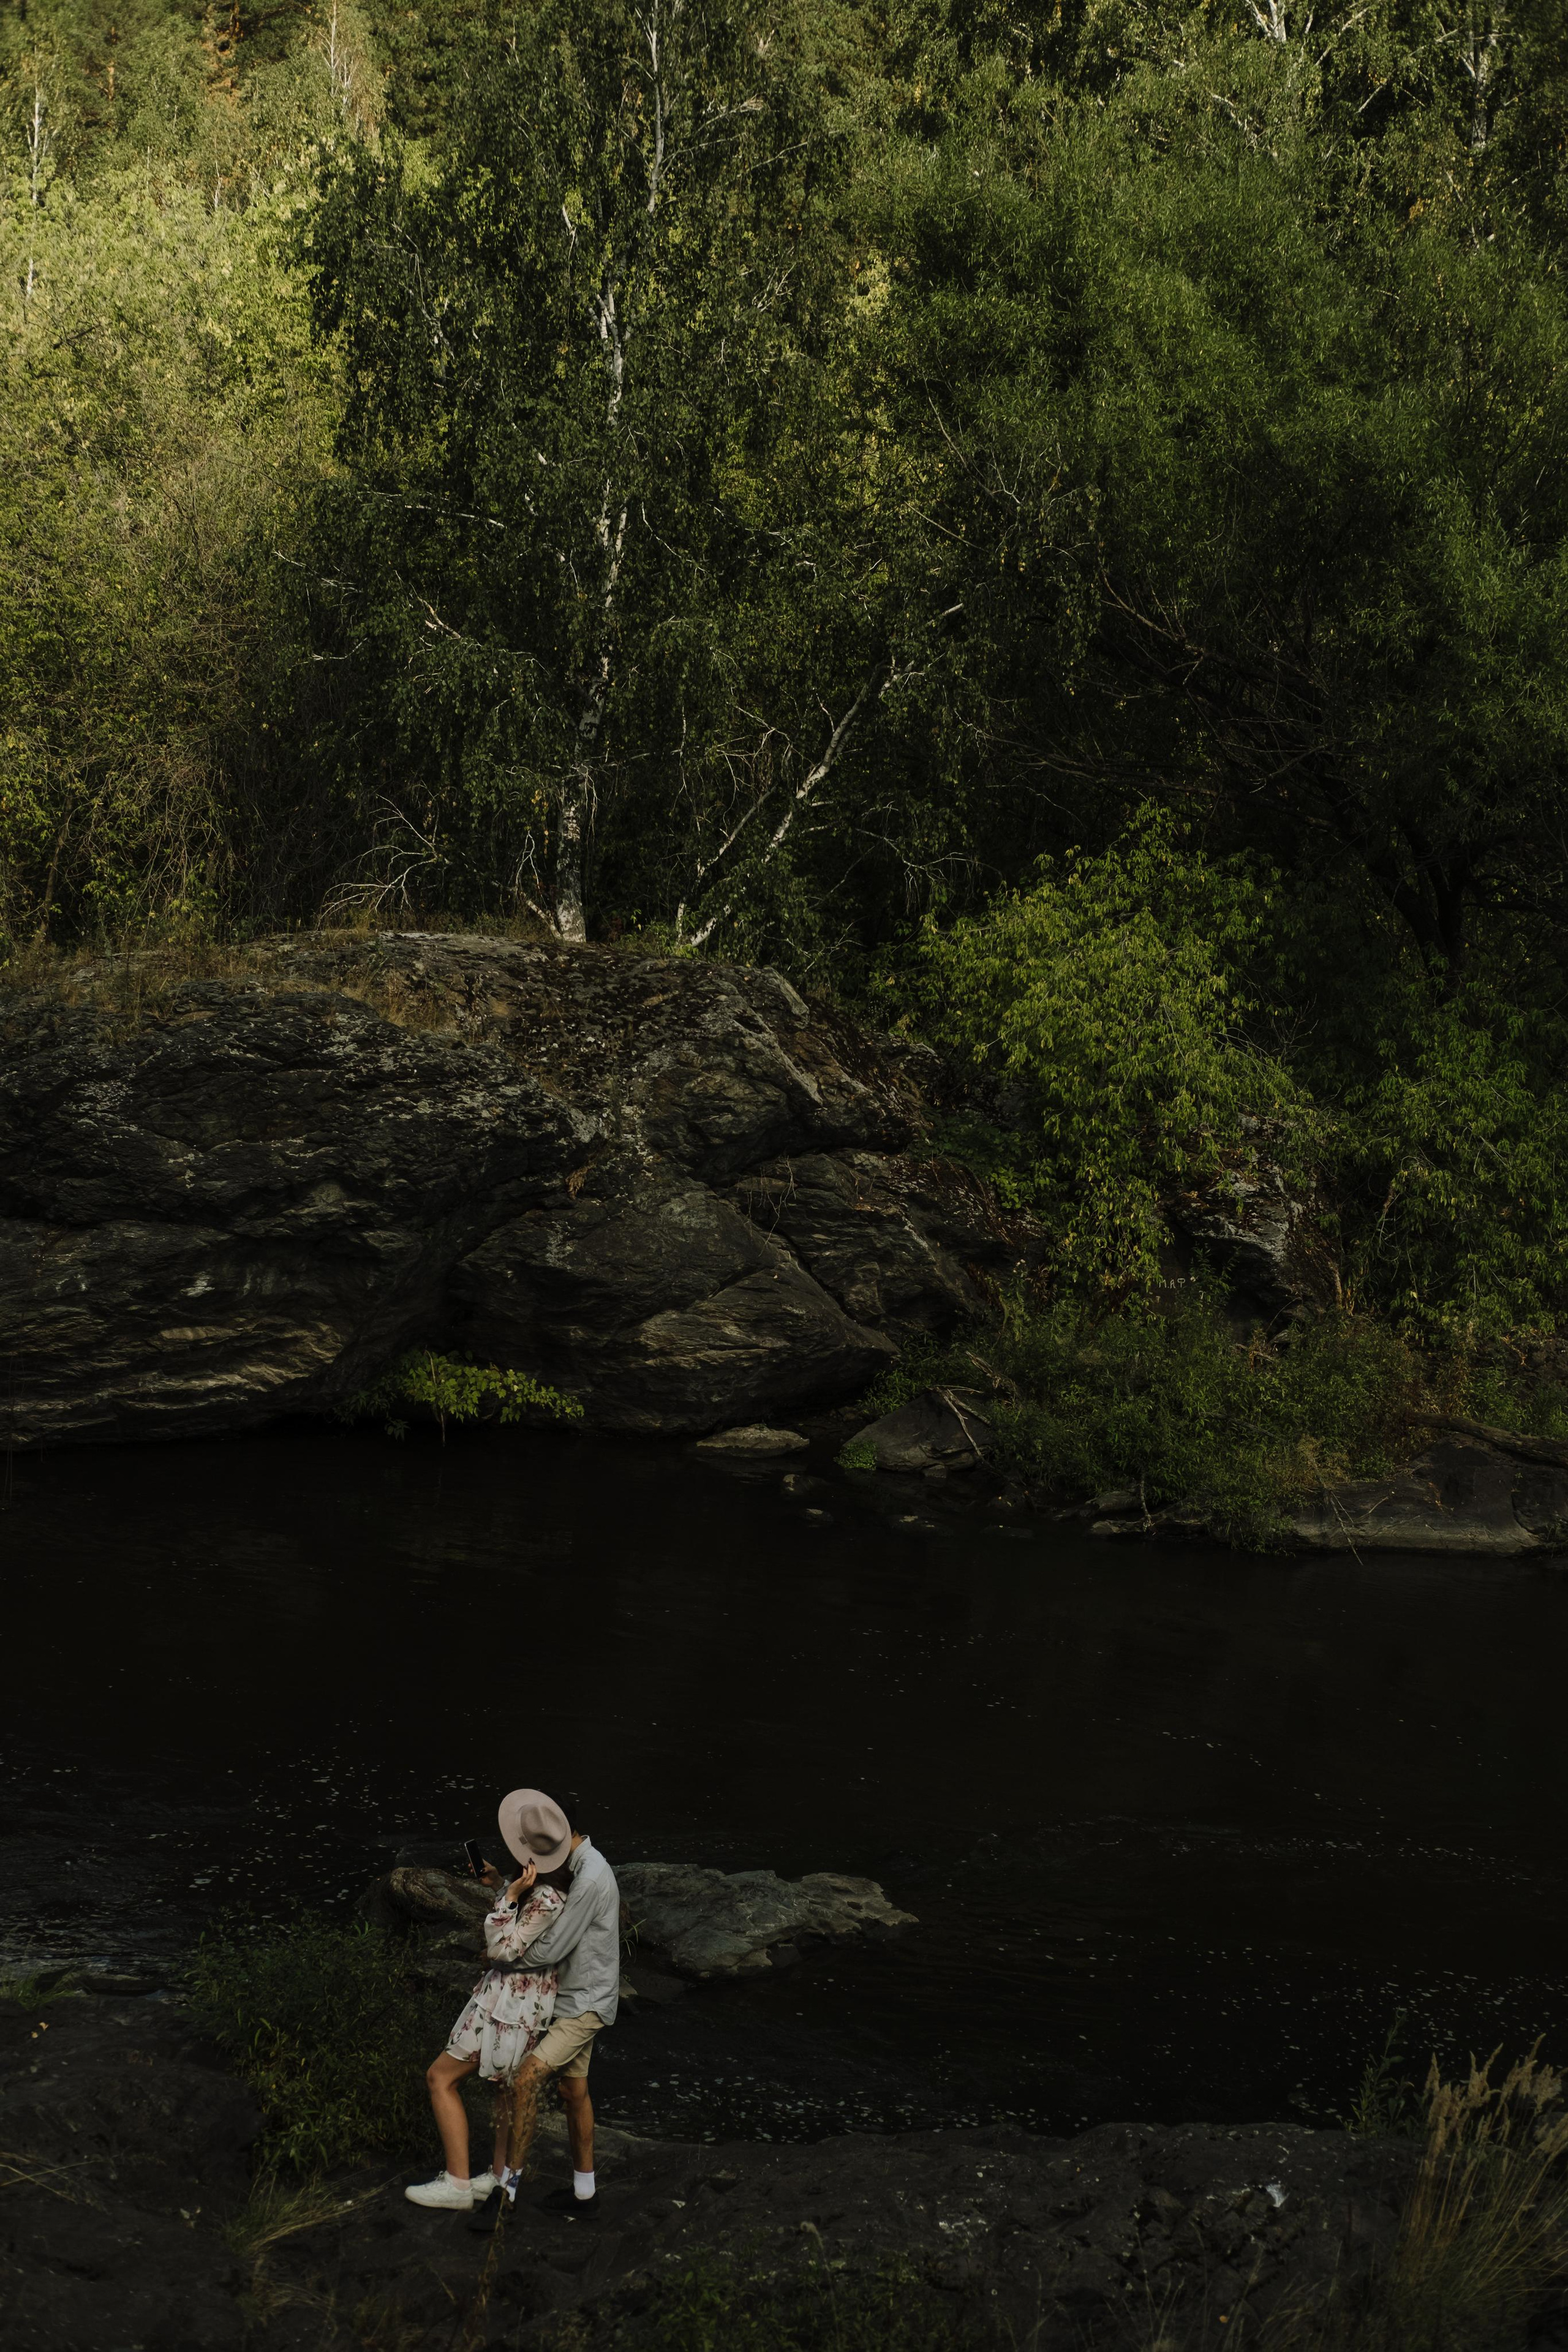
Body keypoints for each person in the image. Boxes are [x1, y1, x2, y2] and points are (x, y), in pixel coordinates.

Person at [469, 1787, 621, 2234]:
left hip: (585, 2005)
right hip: (573, 1998)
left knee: (526, 2079)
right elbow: (547, 1915)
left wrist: (499, 1957)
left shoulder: (590, 1877)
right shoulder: (580, 1867)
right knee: (574, 2095)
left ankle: (507, 2195)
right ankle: (585, 2195)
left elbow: (554, 1943)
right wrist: (502, 1887)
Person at [404, 1815, 571, 2211]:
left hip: (511, 2004)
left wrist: (510, 1895)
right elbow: (520, 1932)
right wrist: (500, 1886)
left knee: (440, 2078)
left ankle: (458, 2184)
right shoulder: (544, 1892)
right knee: (503, 2090)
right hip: (510, 2000)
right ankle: (497, 2177)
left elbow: (502, 1949)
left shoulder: (547, 1899)